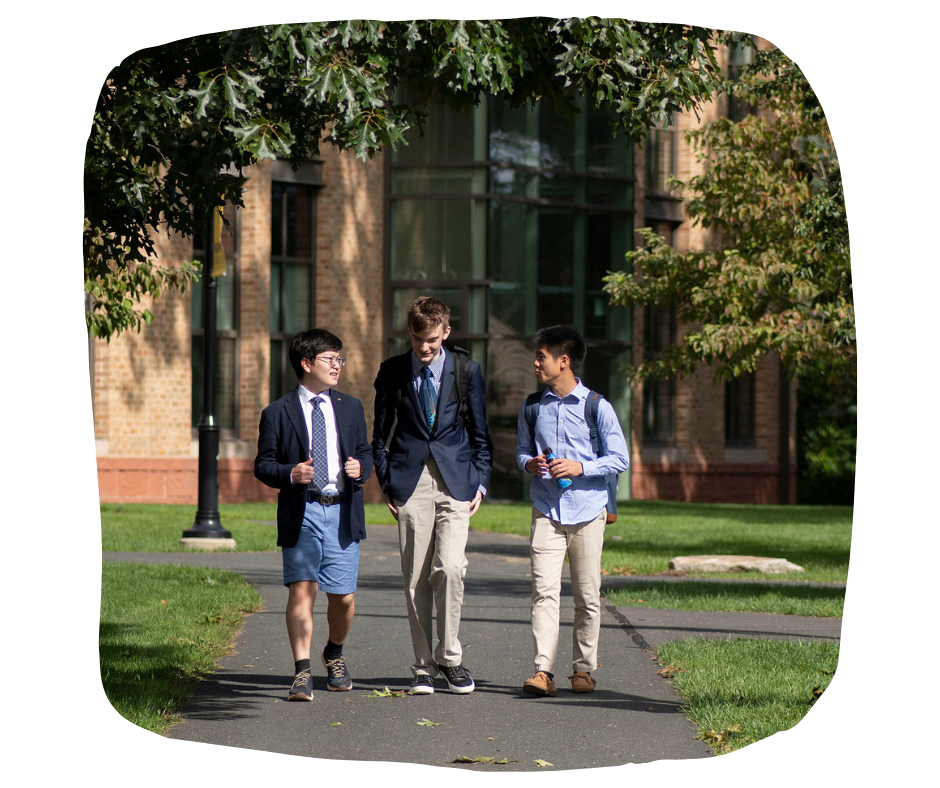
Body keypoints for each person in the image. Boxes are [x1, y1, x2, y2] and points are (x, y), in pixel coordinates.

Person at [372, 297, 493, 694]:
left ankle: (450, 658)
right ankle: (423, 666)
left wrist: (481, 481)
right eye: (417, 338)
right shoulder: (392, 371)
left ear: (446, 331)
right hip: (410, 481)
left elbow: (480, 433)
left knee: (451, 569)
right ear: (409, 332)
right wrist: (387, 481)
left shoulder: (466, 370)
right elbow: (380, 435)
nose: (424, 347)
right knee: (416, 579)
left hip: (456, 479)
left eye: (431, 340)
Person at [254, 329, 373, 701]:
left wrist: (361, 469)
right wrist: (291, 473)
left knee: (343, 598)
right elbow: (263, 464)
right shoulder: (277, 412)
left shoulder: (351, 407)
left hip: (341, 510)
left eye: (340, 359)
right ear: (306, 364)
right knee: (302, 590)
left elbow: (366, 453)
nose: (338, 366)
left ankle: (333, 652)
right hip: (302, 509)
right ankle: (302, 671)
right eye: (330, 359)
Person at [515, 325, 629, 697]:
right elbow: (520, 451)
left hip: (588, 510)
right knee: (544, 592)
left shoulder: (597, 406)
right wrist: (530, 464)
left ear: (563, 362)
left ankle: (583, 670)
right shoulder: (533, 407)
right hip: (546, 508)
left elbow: (619, 458)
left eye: (541, 357)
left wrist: (581, 467)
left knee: (587, 595)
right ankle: (542, 672)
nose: (535, 363)